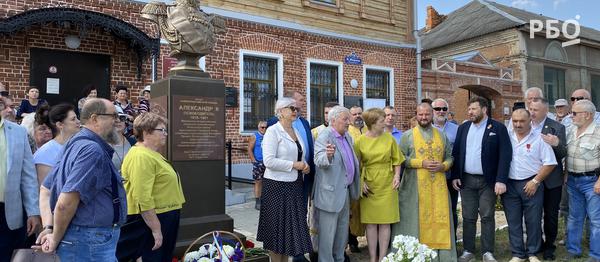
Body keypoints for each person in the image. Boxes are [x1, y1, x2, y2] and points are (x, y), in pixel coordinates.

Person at [35, 98, 127, 260]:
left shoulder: (74, 144)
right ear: (94, 118)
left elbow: (46, 189)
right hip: (90, 242)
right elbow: (65, 203)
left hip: (87, 240)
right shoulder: (91, 150)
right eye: (114, 116)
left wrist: (50, 228)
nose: (117, 122)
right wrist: (55, 237)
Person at [117, 112, 185, 261]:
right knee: (152, 257)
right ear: (147, 132)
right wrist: (156, 229)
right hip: (151, 219)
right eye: (162, 130)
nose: (165, 134)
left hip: (163, 215)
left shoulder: (151, 153)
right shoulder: (141, 156)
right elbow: (142, 196)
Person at [452, 97, 511, 262]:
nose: (470, 112)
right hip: (467, 180)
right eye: (469, 109)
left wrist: (501, 180)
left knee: (487, 216)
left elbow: (505, 155)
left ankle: (487, 252)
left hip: (488, 181)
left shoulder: (497, 128)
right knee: (468, 216)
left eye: (474, 109)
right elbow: (456, 153)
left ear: (484, 110)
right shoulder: (463, 128)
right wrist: (456, 175)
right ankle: (468, 250)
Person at [396, 103, 456, 261]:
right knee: (414, 219)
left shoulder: (441, 135)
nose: (424, 117)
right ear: (416, 115)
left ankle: (442, 255)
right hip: (413, 187)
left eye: (427, 114)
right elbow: (401, 160)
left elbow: (450, 157)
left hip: (439, 187)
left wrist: (443, 166)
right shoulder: (407, 136)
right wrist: (420, 163)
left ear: (432, 115)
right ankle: (414, 252)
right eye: (421, 114)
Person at [258, 97, 312, 262]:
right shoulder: (273, 131)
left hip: (294, 185)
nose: (296, 111)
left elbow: (299, 154)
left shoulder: (295, 131)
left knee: (288, 233)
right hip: (276, 186)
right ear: (280, 111)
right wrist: (294, 165)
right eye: (291, 108)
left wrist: (305, 165)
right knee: (276, 233)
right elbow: (268, 161)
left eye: (296, 109)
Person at [503, 108, 557, 262]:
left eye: (522, 121)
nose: (518, 124)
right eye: (515, 121)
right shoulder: (506, 137)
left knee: (533, 220)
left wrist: (535, 181)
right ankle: (517, 254)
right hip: (510, 185)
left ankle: (533, 252)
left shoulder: (540, 139)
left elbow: (550, 163)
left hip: (531, 183)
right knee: (513, 221)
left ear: (530, 121)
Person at [355, 108, 403, 262]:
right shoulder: (360, 141)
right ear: (373, 123)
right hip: (369, 184)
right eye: (382, 120)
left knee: (385, 222)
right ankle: (372, 257)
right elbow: (355, 166)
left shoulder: (389, 138)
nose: (385, 122)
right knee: (370, 223)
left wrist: (396, 176)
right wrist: (360, 183)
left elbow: (397, 159)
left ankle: (383, 257)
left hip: (387, 183)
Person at [313, 106, 361, 262]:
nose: (349, 122)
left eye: (349, 118)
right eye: (345, 119)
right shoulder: (324, 136)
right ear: (333, 120)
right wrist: (327, 156)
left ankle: (339, 258)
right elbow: (318, 160)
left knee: (341, 234)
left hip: (344, 192)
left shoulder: (347, 136)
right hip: (329, 194)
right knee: (327, 236)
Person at [0, 96, 40, 262]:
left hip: (9, 212)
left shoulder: (18, 132)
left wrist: (33, 211)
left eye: (11, 106)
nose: (10, 110)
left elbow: (28, 175)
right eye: (4, 106)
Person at [528, 99, 567, 260]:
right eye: (530, 108)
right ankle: (535, 245)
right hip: (531, 178)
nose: (532, 112)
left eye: (536, 109)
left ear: (545, 110)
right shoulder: (525, 125)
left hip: (552, 180)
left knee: (550, 215)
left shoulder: (557, 127)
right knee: (533, 215)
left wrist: (556, 143)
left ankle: (549, 246)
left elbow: (563, 153)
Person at [564, 99, 600, 261]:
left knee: (596, 220)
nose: (571, 116)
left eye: (574, 113)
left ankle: (595, 254)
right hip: (572, 180)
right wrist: (566, 174)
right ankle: (573, 250)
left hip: (592, 181)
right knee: (574, 217)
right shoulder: (571, 130)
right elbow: (567, 154)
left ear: (587, 115)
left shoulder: (599, 132)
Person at [431, 98, 460, 237]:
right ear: (432, 111)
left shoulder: (457, 129)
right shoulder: (426, 129)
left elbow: (460, 153)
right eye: (437, 109)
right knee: (433, 209)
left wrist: (457, 175)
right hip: (431, 177)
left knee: (451, 209)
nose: (441, 112)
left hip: (450, 177)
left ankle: (452, 242)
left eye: (444, 109)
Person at [33, 104, 81, 186]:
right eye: (73, 119)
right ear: (60, 125)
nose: (78, 121)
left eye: (77, 118)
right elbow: (45, 189)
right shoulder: (45, 153)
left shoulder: (77, 145)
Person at [347, 105, 366, 253]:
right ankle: (351, 240)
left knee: (364, 209)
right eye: (354, 114)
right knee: (351, 210)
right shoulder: (347, 132)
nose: (358, 116)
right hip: (352, 177)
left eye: (360, 113)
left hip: (368, 176)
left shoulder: (368, 130)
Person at [248, 121, 267, 210]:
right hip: (258, 162)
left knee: (266, 182)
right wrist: (254, 161)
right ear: (258, 128)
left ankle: (265, 200)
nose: (264, 129)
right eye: (262, 127)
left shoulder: (269, 136)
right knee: (258, 182)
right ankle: (257, 201)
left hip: (267, 162)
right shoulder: (254, 136)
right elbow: (250, 149)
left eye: (265, 127)